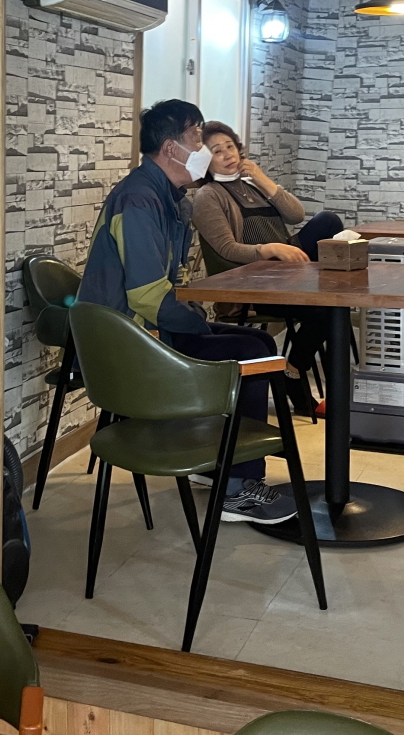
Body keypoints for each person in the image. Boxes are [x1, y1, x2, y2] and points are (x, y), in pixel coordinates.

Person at [77, 99, 296, 523]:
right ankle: (236, 489)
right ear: (170, 148)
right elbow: (147, 295)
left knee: (258, 341)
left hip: (148, 330)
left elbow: (168, 285)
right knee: (251, 354)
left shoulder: (169, 197)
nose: (203, 149)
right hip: (131, 344)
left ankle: (223, 467)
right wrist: (198, 324)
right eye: (196, 138)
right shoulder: (139, 200)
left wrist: (197, 320)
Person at [189, 121, 343, 412]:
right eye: (217, 151)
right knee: (327, 309)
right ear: (206, 162)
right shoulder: (208, 196)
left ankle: (300, 362)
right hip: (254, 280)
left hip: (286, 268)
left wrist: (262, 179)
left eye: (230, 147)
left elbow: (295, 215)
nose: (227, 154)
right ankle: (293, 373)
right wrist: (270, 249)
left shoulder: (252, 184)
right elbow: (227, 249)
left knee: (328, 221)